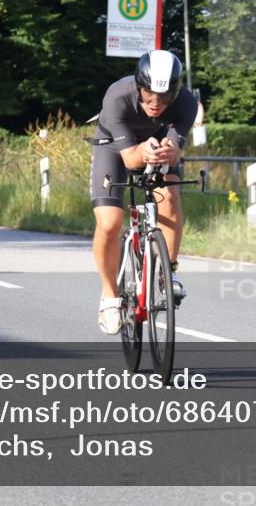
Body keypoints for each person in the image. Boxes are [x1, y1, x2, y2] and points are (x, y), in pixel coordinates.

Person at [90, 50, 198, 334]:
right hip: (114, 146)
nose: (156, 104)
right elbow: (130, 160)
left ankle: (166, 273)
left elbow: (175, 147)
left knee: (171, 197)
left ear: (176, 91)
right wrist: (145, 151)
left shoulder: (187, 103)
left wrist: (173, 149)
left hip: (157, 145)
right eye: (149, 96)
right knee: (109, 222)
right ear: (139, 86)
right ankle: (109, 293)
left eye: (164, 98)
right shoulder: (117, 96)